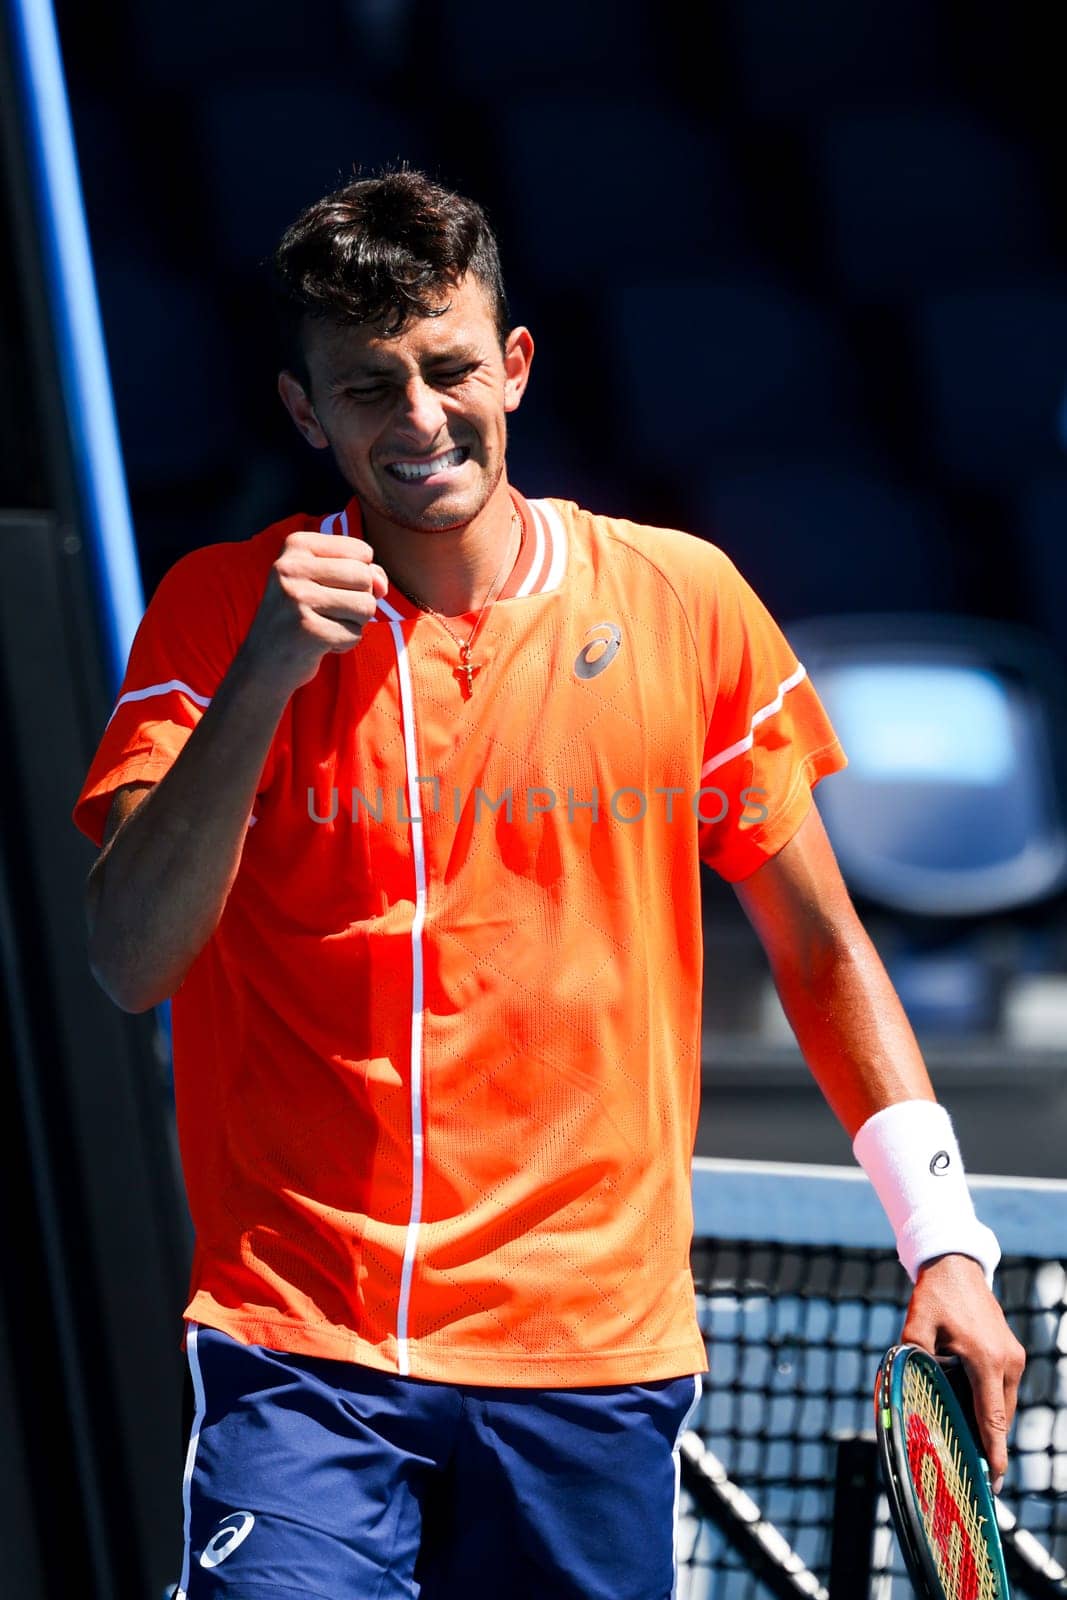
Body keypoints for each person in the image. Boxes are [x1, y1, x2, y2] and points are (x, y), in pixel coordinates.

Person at [75, 168, 1025, 1600]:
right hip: (308, 1354)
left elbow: (823, 951)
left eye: (449, 368)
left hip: (591, 1366)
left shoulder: (685, 602)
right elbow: (128, 957)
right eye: (368, 387)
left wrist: (943, 1239)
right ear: (303, 410)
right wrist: (265, 681)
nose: (418, 420)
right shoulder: (220, 610)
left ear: (513, 366)